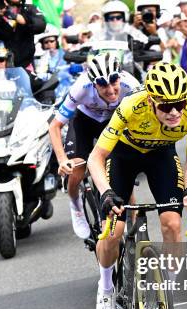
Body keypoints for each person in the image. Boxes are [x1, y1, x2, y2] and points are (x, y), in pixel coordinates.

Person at [87, 62, 187, 309]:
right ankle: (105, 288)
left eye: (180, 104)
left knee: (173, 224)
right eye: (165, 106)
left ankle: (168, 299)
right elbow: (96, 156)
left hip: (160, 157)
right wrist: (106, 193)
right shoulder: (130, 106)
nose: (175, 112)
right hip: (123, 157)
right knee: (113, 231)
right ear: (151, 100)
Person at [48, 53, 140, 240]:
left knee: (121, 170)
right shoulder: (80, 88)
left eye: (113, 80)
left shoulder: (131, 85)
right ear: (93, 83)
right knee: (77, 169)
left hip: (113, 121)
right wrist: (62, 159)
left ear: (119, 76)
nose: (110, 89)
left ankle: (134, 222)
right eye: (102, 84)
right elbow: (55, 126)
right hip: (84, 121)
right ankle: (76, 206)